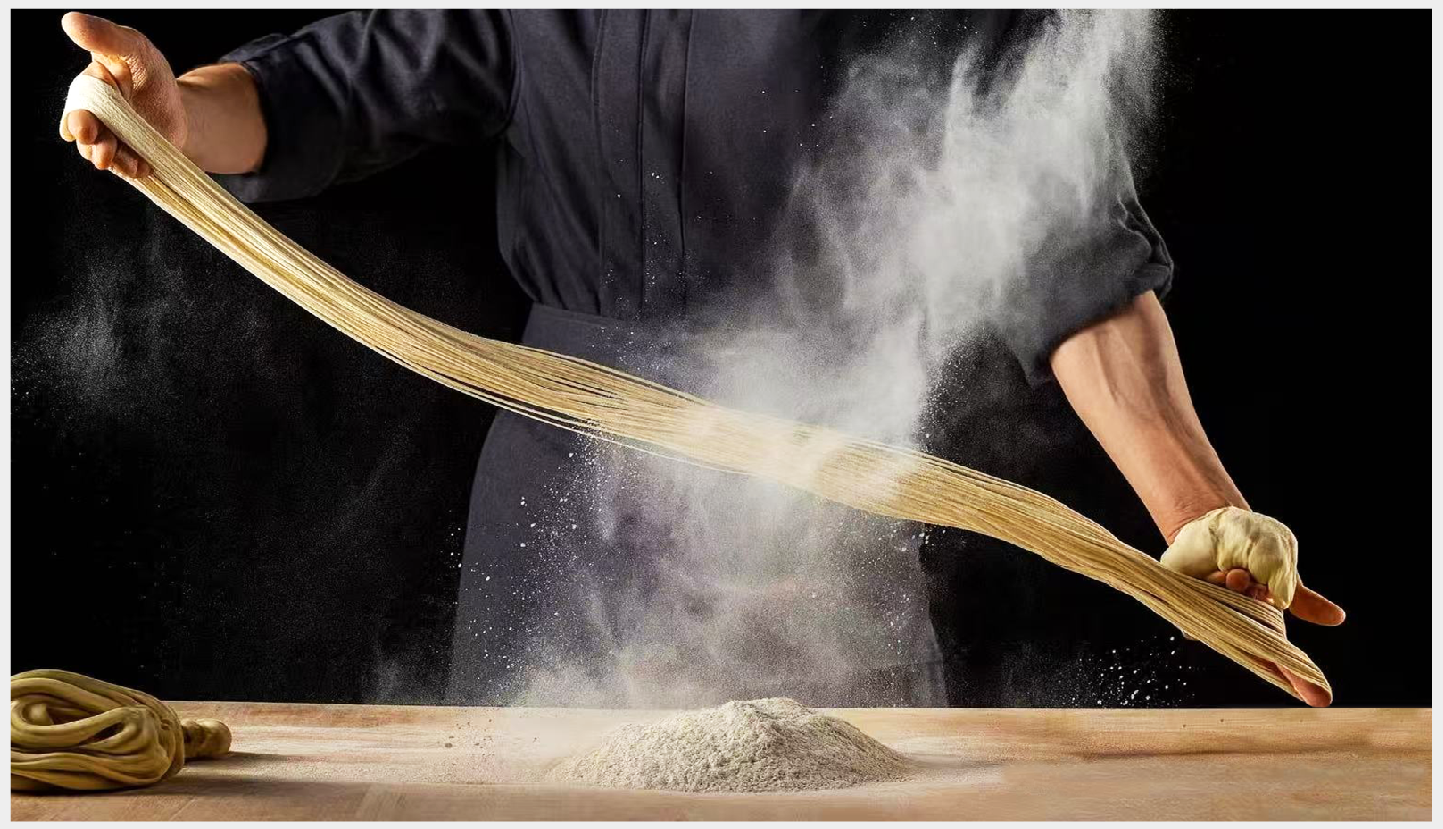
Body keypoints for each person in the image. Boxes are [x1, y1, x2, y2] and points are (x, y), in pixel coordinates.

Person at [59, 10, 1344, 707]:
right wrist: (176, 113)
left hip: (812, 493)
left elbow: (1067, 254)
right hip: (558, 496)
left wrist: (1204, 516)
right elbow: (325, 92)